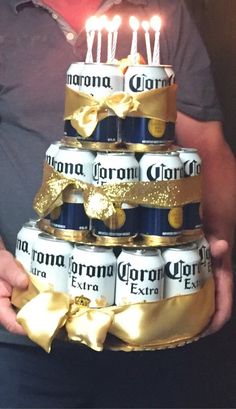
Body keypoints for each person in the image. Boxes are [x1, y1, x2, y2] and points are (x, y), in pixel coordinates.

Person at [0, 0, 235, 407]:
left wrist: (215, 253)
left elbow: (208, 150)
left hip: (161, 323)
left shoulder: (165, 10)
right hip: (27, 334)